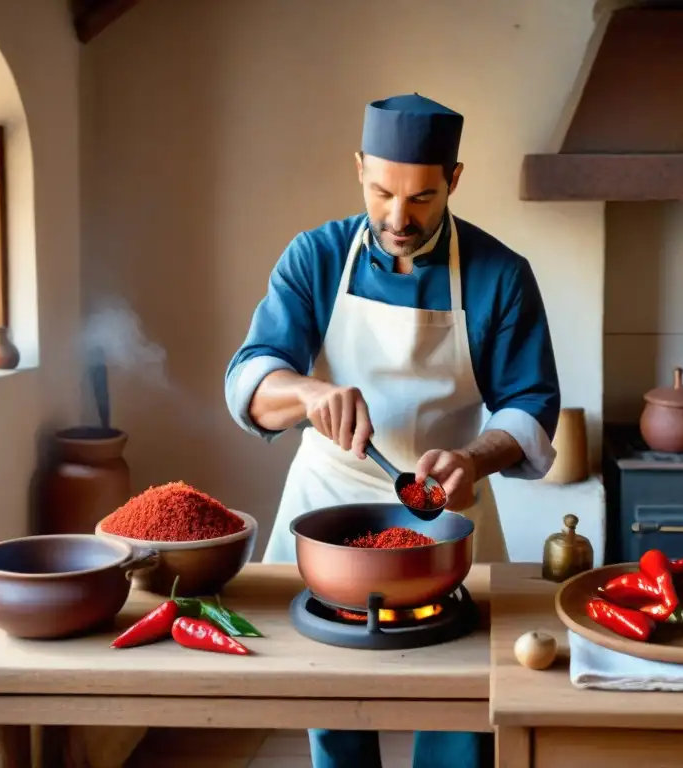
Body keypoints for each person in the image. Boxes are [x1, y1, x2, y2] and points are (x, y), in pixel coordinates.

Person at [225, 93, 561, 768]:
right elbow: (251, 385)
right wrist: (308, 391)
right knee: (333, 708)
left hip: (444, 513)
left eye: (423, 198)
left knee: (463, 709)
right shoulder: (315, 257)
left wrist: (476, 456)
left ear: (454, 180)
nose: (399, 218)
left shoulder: (501, 276)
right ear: (359, 170)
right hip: (326, 515)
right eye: (382, 192)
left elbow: (529, 405)